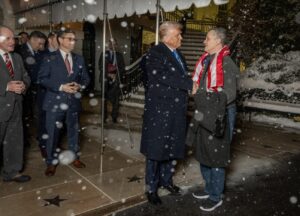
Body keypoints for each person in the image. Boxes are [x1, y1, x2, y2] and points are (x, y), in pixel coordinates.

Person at [140, 21, 198, 205]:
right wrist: (189, 85)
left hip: (175, 110)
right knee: (156, 150)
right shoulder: (156, 52)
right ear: (166, 37)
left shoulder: (177, 53)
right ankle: (151, 188)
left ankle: (167, 181)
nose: (181, 38)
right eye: (177, 35)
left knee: (172, 148)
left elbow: (178, 77)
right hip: (160, 110)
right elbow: (161, 76)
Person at [191, 27, 238, 212]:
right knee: (203, 150)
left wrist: (205, 97)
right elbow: (203, 87)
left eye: (207, 38)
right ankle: (210, 187)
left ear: (218, 41)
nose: (204, 41)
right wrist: (198, 91)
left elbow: (229, 94)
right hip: (204, 111)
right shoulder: (207, 61)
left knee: (216, 154)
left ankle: (215, 196)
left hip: (220, 113)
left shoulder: (227, 63)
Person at [38, 29, 90, 176]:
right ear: (60, 40)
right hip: (54, 102)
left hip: (73, 102)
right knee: (53, 134)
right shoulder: (50, 58)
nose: (73, 42)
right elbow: (42, 79)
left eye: (74, 39)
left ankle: (74, 157)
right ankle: (51, 162)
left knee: (74, 132)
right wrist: (61, 87)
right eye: (69, 39)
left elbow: (86, 79)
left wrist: (80, 86)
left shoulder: (79, 59)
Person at [0, 25, 31, 183]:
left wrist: (24, 85)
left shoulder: (17, 58)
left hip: (16, 108)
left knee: (14, 141)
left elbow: (26, 77)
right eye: (8, 38)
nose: (13, 41)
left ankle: (11, 172)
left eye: (13, 38)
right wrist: (6, 86)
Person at [98, 38, 125, 123]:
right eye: (110, 43)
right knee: (104, 98)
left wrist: (116, 75)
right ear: (108, 44)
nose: (112, 45)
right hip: (105, 78)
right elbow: (100, 66)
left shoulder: (119, 55)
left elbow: (122, 68)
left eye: (114, 43)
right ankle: (104, 117)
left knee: (116, 99)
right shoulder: (103, 54)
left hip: (115, 79)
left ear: (116, 45)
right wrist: (108, 74)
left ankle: (114, 117)